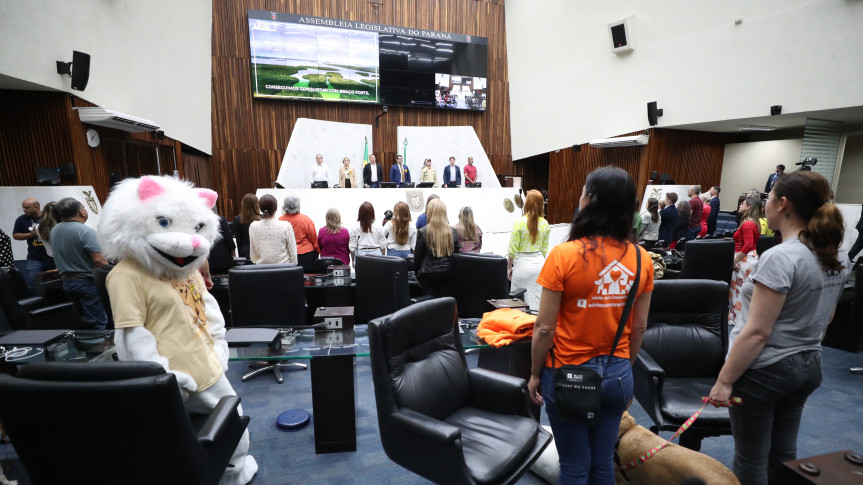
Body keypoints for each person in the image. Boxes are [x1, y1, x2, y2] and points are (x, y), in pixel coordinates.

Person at [709, 170, 848, 485]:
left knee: (750, 459)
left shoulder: (780, 257)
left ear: (782, 204)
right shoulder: (834, 255)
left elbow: (757, 333)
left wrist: (724, 381)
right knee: (784, 454)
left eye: (769, 198)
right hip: (809, 365)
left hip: (765, 372)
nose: (765, 204)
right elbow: (826, 319)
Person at [528, 166, 654, 485]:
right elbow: (639, 328)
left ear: (590, 200)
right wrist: (623, 371)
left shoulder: (564, 255)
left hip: (567, 375)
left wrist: (534, 374)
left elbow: (544, 328)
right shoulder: (642, 259)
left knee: (574, 466)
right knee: (602, 464)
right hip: (618, 374)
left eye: (584, 191)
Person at [50, 197, 109, 329]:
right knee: (98, 322)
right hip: (86, 283)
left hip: (67, 282)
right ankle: (99, 343)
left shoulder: (55, 230)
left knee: (82, 323)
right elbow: (99, 261)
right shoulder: (86, 231)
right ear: (81, 212)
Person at [507, 190, 551, 311]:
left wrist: (509, 267)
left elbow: (512, 249)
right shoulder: (545, 224)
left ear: (527, 203)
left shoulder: (519, 222)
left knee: (518, 304)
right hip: (539, 266)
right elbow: (544, 250)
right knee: (536, 301)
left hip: (522, 265)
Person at [414, 199, 460, 297]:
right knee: (445, 303)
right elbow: (456, 254)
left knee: (429, 303)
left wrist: (416, 274)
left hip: (428, 273)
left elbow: (418, 257)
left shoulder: (424, 231)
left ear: (430, 212)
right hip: (448, 272)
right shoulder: (453, 231)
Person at [729, 197, 762, 329]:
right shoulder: (753, 222)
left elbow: (748, 245)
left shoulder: (748, 224)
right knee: (741, 291)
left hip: (744, 259)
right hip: (748, 257)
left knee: (739, 291)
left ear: (749, 207)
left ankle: (738, 321)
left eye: (742, 204)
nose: (740, 205)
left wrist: (735, 261)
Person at [12, 198, 52, 292]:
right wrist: (31, 234)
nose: (24, 210)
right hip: (34, 257)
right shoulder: (21, 219)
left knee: (54, 280)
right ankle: (37, 300)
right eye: (23, 207)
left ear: (36, 206)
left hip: (51, 256)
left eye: (27, 208)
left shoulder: (48, 216)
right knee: (33, 282)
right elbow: (15, 235)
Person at [248, 194, 297, 265]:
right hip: (284, 268)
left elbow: (253, 257)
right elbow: (293, 252)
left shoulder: (253, 226)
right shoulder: (286, 226)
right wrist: (293, 267)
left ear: (260, 209)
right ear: (276, 208)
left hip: (262, 269)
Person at [279, 195, 319, 273]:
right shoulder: (306, 220)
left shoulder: (280, 220)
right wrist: (318, 251)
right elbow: (314, 239)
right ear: (298, 205)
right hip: (307, 255)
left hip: (287, 256)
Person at [233, 193, 260, 260]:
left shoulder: (237, 219)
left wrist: (240, 256)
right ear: (256, 204)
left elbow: (238, 240)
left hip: (245, 252)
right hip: (260, 250)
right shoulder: (262, 218)